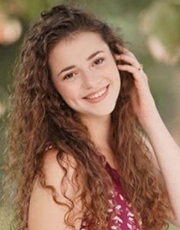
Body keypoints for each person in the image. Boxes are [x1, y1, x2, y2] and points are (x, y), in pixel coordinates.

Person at [2, 4, 180, 230]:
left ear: (120, 61)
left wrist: (149, 116)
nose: (91, 81)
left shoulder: (132, 147)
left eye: (97, 61)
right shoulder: (63, 166)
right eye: (70, 74)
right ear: (53, 90)